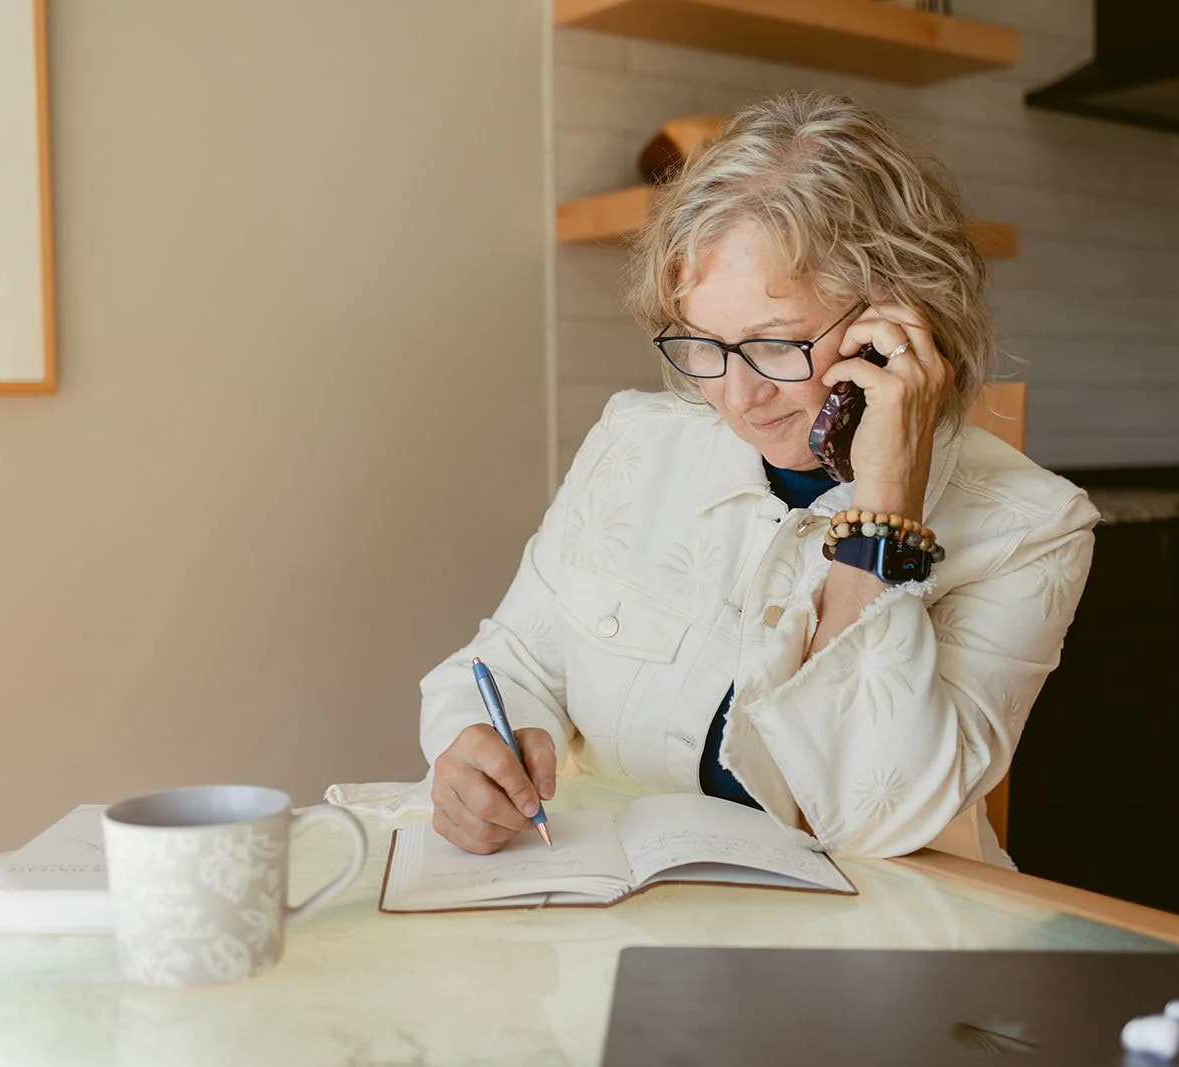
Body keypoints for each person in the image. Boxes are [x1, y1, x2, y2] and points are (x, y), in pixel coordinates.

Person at [418, 90, 1100, 868]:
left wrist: (883, 516)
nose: (738, 395)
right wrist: (471, 751)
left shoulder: (1034, 528)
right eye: (703, 343)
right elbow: (509, 663)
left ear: (901, 323)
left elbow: (870, 820)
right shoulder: (636, 439)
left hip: (869, 957)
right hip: (623, 923)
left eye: (776, 346)